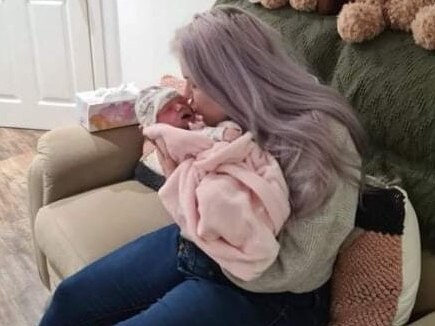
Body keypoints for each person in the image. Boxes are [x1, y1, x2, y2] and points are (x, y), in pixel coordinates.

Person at [39, 5, 366, 326]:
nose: (187, 96)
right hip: (203, 246)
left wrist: (199, 224)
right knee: (71, 297)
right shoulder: (224, 120)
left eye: (194, 83)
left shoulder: (320, 137)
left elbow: (299, 267)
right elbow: (199, 200)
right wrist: (181, 173)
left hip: (271, 290)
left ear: (231, 80)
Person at [133, 85, 242, 190]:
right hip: (160, 171)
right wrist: (221, 133)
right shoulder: (165, 134)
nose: (180, 106)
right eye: (167, 108)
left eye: (182, 101)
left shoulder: (197, 123)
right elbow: (190, 139)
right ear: (154, 123)